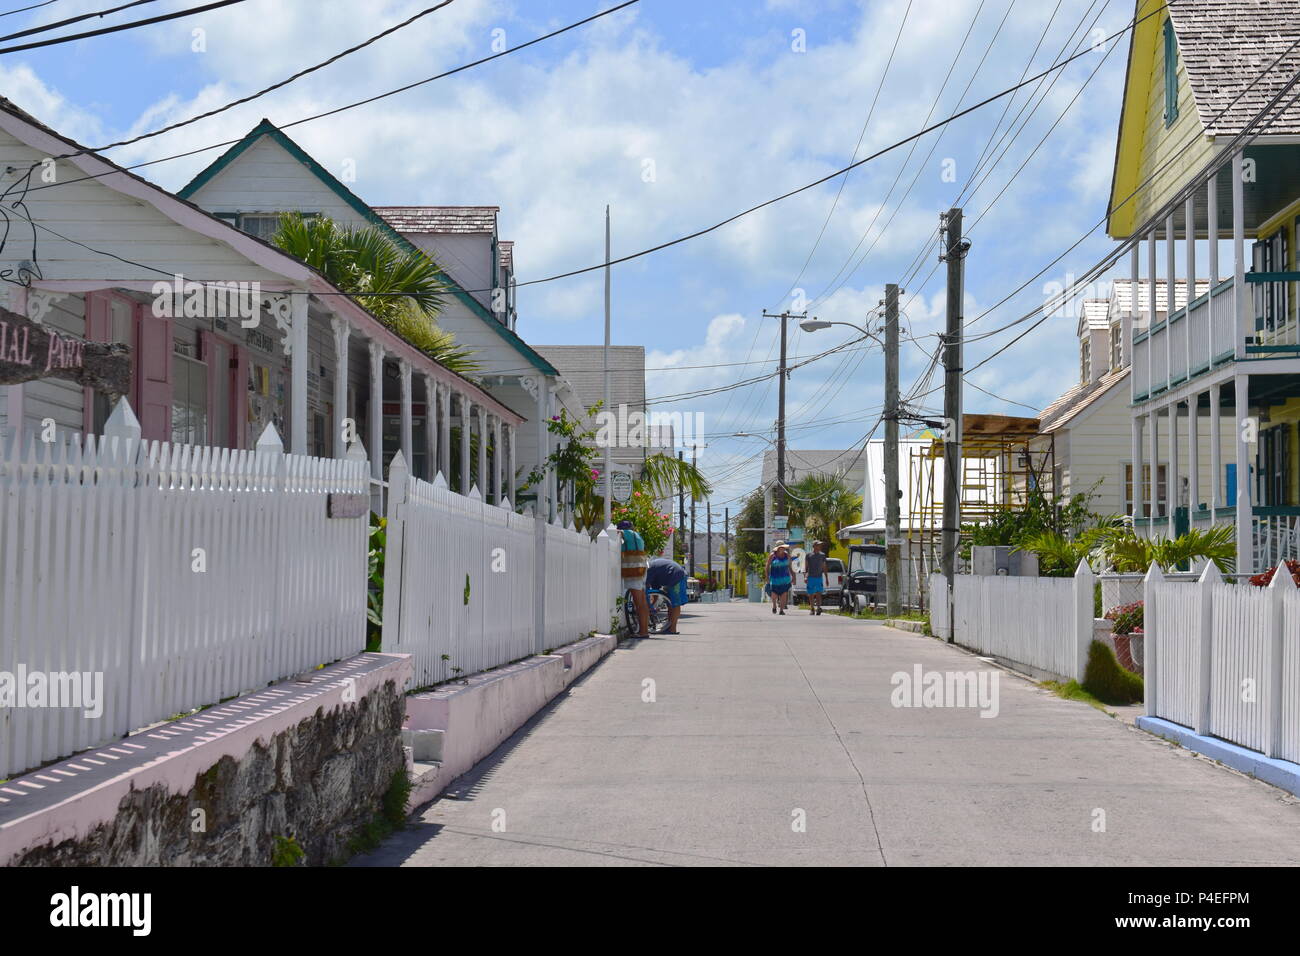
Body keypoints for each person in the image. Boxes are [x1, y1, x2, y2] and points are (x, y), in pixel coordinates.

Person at [618, 520, 650, 638]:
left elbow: (620, 533)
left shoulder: (628, 534)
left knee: (639, 603)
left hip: (633, 570)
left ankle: (643, 632)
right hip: (641, 569)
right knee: (642, 602)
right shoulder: (638, 536)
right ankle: (644, 630)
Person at [645, 556, 688, 634]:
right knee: (670, 604)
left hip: (676, 576)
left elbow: (645, 591)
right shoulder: (652, 569)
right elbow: (654, 594)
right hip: (672, 575)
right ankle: (669, 627)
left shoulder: (649, 569)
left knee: (675, 603)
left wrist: (649, 607)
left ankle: (672, 629)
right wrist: (652, 605)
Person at [766, 541, 792, 616]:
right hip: (775, 579)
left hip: (785, 579)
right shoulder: (772, 556)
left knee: (784, 594)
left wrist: (793, 576)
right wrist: (767, 577)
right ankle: (774, 605)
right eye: (781, 547)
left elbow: (789, 566)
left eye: (783, 547)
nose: (783, 548)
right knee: (774, 594)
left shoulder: (787, 555)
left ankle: (781, 610)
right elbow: (767, 567)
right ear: (777, 548)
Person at [805, 540, 828, 616]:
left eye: (820, 545)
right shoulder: (808, 555)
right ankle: (812, 608)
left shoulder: (822, 555)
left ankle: (818, 608)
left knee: (819, 593)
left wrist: (826, 578)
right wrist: (805, 576)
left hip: (819, 577)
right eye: (818, 545)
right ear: (814, 546)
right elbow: (806, 567)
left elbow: (824, 566)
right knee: (811, 594)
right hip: (811, 577)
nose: (819, 546)